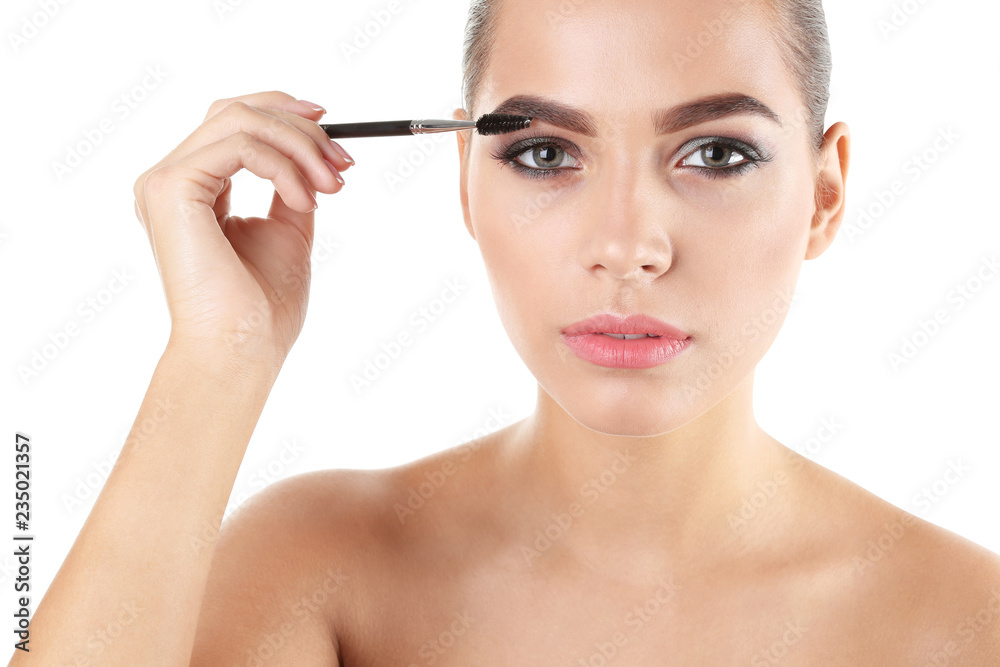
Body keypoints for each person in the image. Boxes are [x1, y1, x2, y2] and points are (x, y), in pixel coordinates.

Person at [12, 0, 1000, 664]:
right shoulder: (317, 567)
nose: (625, 245)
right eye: (541, 153)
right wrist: (214, 364)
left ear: (825, 195)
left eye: (713, 151)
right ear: (465, 184)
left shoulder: (967, 622)